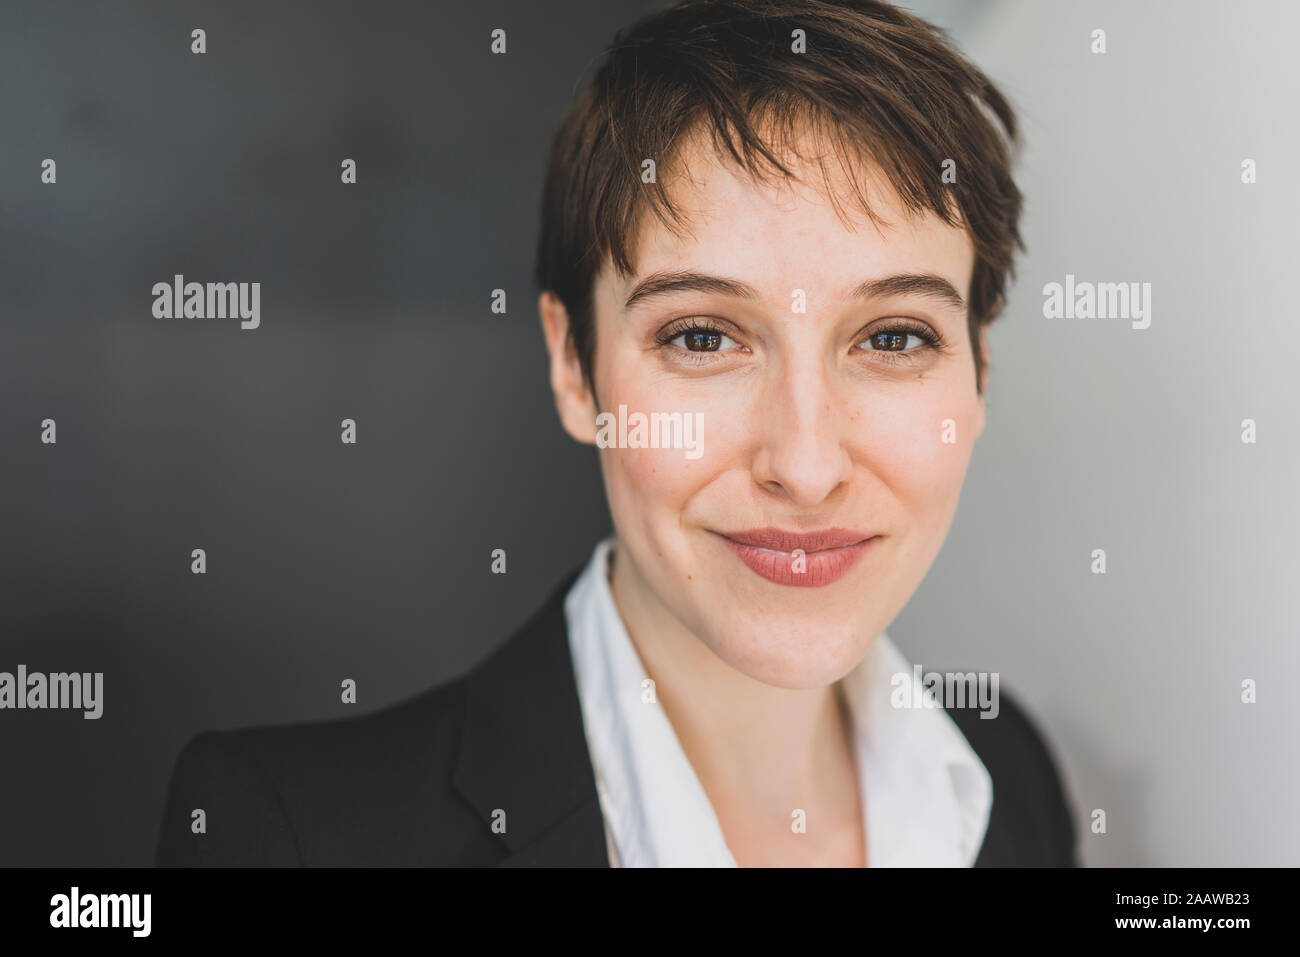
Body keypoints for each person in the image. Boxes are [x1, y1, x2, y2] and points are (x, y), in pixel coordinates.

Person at [157, 0, 1077, 867]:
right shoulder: (286, 836)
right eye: (703, 336)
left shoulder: (1011, 773)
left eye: (893, 337)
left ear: (980, 371)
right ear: (574, 367)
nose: (804, 464)